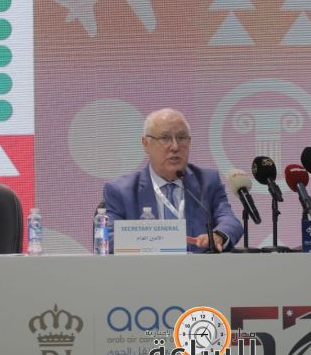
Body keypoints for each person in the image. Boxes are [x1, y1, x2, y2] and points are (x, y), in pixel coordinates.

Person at [103, 108, 243, 252]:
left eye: (181, 138)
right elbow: (107, 237)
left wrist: (219, 235)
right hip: (146, 266)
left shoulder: (207, 181)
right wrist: (156, 242)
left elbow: (230, 221)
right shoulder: (121, 191)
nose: (175, 147)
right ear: (145, 144)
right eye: (165, 138)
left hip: (200, 266)